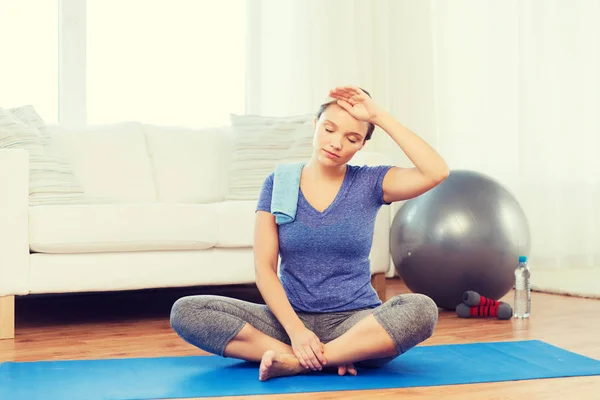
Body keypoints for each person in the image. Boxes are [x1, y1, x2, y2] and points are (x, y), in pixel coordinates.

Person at [170, 86, 449, 381]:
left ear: (361, 146)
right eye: (329, 129)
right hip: (288, 321)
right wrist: (297, 332)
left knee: (421, 309)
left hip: (355, 323)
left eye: (352, 138)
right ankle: (327, 356)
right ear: (315, 125)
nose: (336, 143)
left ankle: (299, 362)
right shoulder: (279, 182)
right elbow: (264, 270)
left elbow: (436, 172)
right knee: (188, 311)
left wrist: (379, 116)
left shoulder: (372, 182)